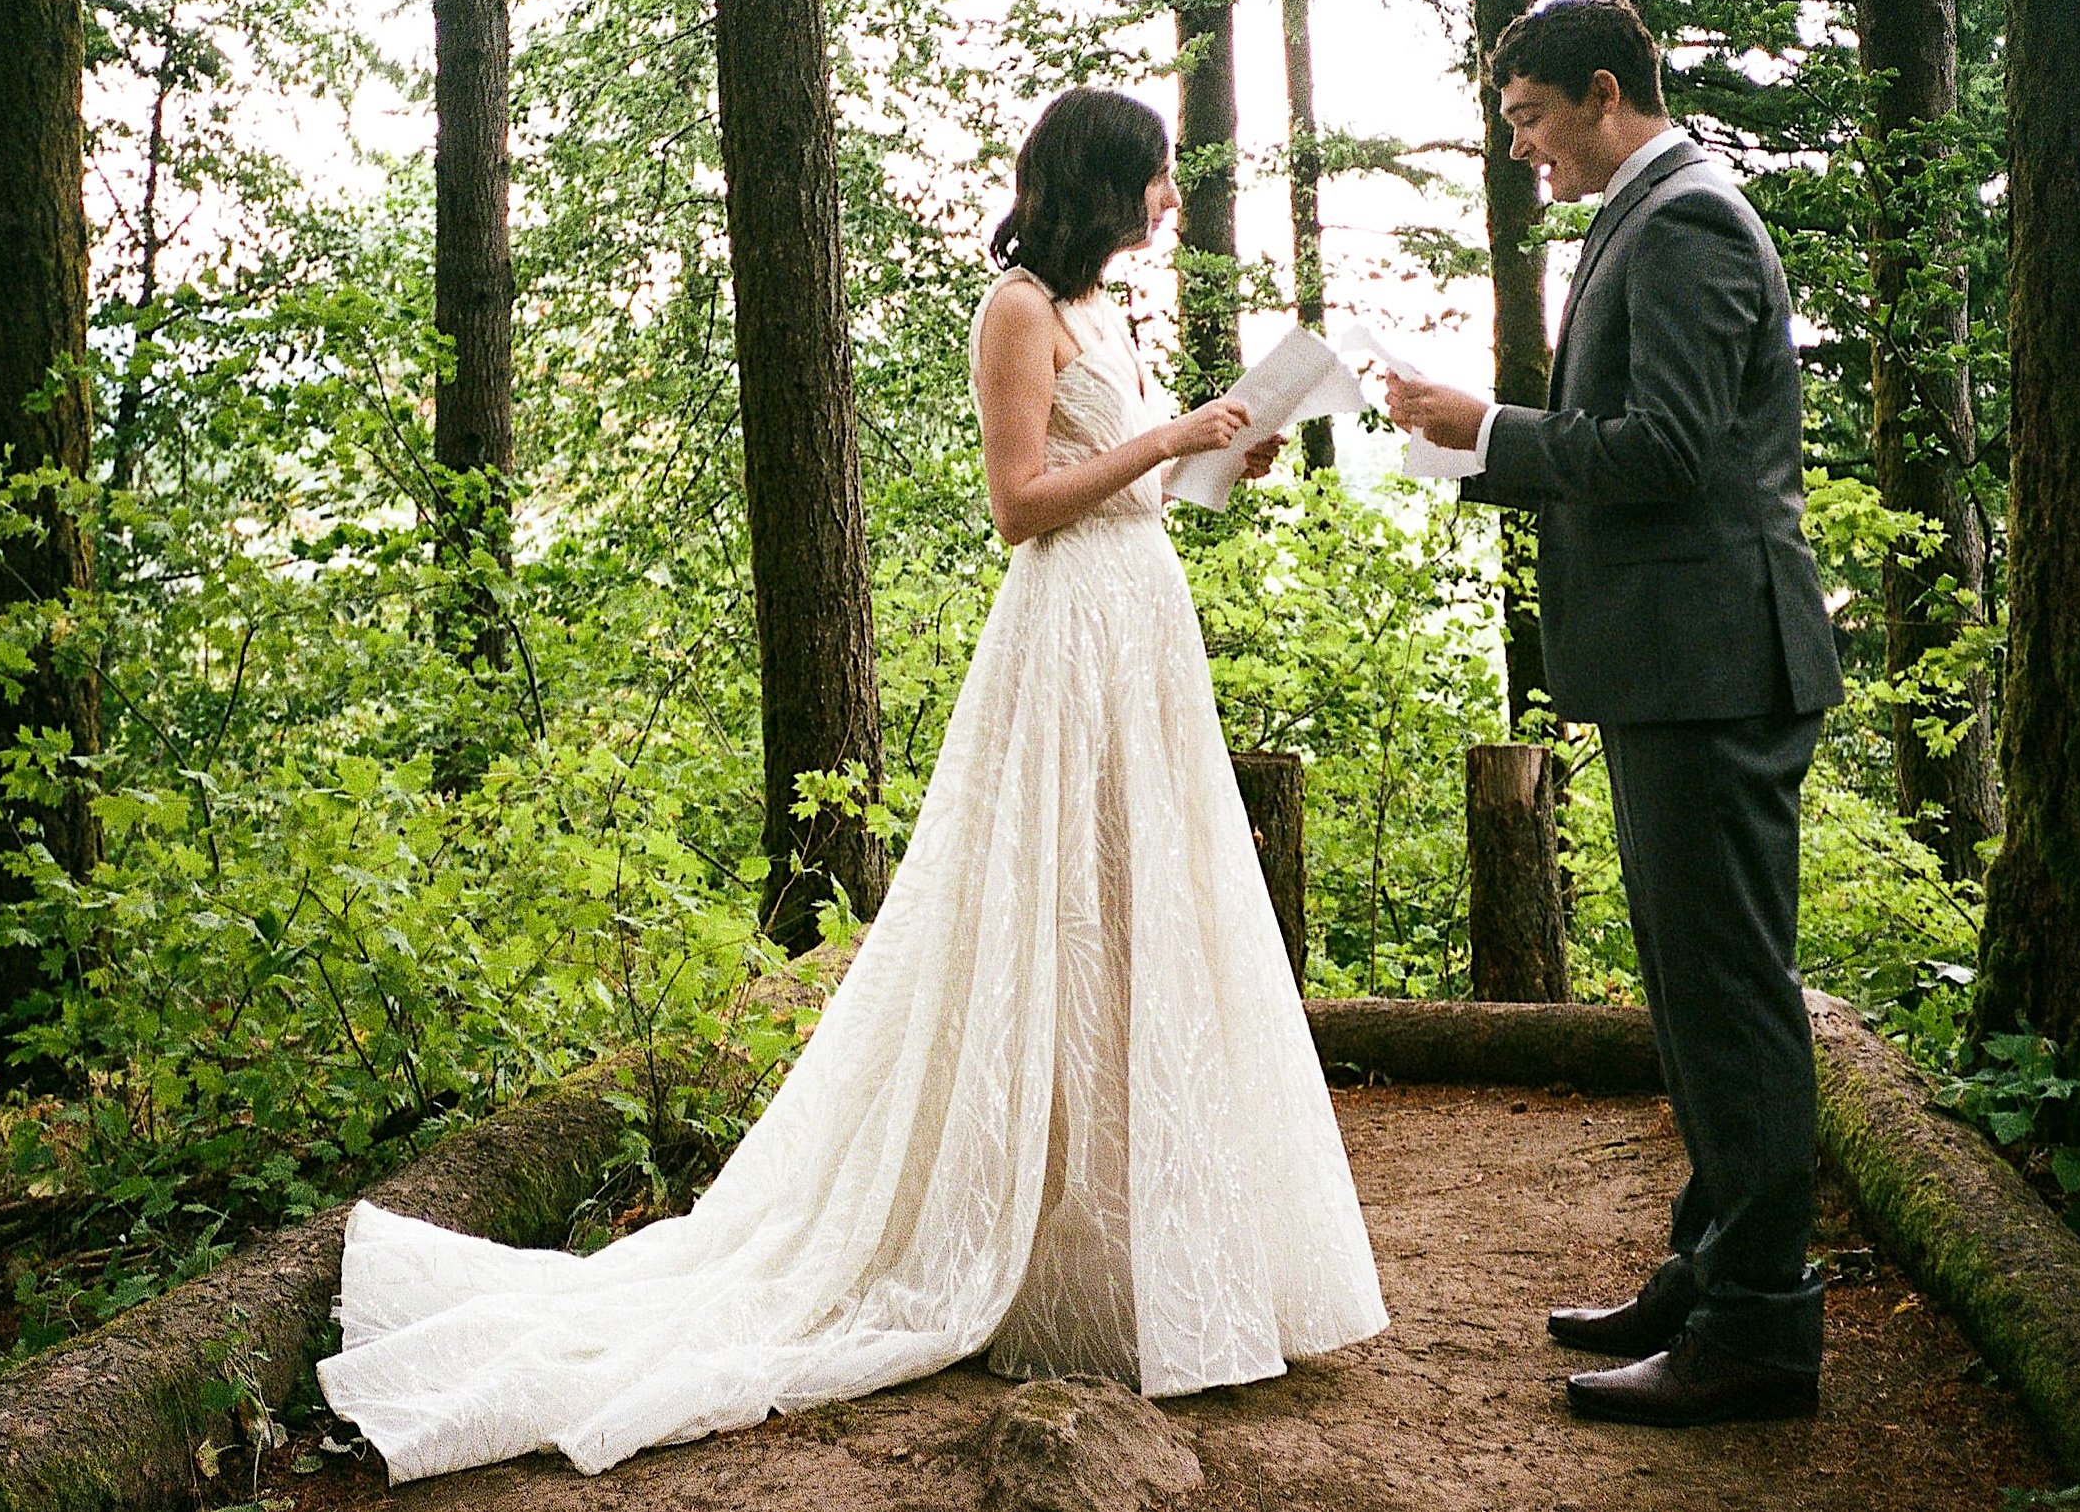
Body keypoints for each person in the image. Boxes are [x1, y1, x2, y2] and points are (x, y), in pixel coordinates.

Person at [315, 87, 1388, 1482]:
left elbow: (1126, 483)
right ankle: (1037, 1255)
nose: (1172, 200)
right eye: (1159, 180)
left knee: (1145, 923)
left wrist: (1218, 449)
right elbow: (1019, 502)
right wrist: (1166, 439)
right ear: (1101, 184)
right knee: (1048, 923)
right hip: (1063, 634)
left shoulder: (1107, 307)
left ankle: (1151, 1260)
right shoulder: (1015, 310)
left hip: (1144, 624)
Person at [1386, 0, 1843, 1427]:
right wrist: (1485, 441)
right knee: (1693, 987)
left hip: (1715, 671)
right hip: (1677, 669)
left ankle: (1764, 1323)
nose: (1520, 148)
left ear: (1598, 91)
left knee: (1731, 995)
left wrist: (1489, 433)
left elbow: (1674, 450)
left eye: (1526, 118)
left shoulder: (1694, 217)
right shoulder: (1648, 208)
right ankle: (1711, 1269)